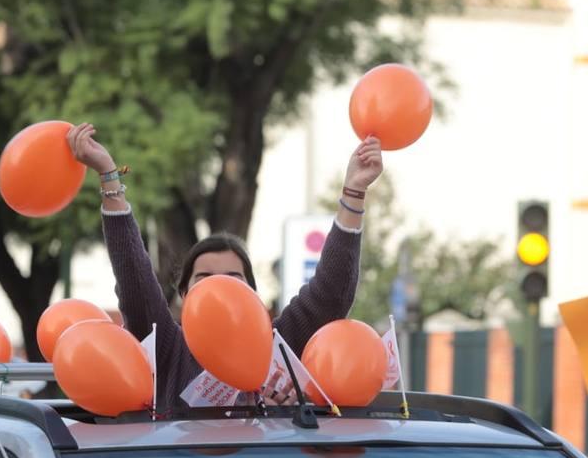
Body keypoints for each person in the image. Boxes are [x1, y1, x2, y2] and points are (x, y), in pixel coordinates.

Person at [67, 123, 382, 411]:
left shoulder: (280, 345)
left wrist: (354, 192)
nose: (219, 292)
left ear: (254, 295)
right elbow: (134, 278)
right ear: (184, 294)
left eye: (233, 280)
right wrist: (110, 176)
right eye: (204, 280)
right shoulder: (168, 349)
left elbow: (331, 292)